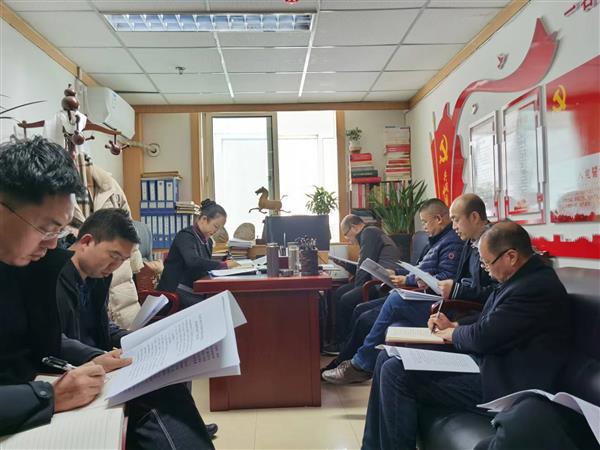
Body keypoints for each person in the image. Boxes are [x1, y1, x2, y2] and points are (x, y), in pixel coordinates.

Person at [362, 221, 572, 450]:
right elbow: (490, 318)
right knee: (386, 357)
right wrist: (455, 324)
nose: (485, 269)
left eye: (487, 262)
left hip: (505, 383)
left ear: (511, 256)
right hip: (487, 363)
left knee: (396, 373)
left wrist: (453, 333)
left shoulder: (536, 288)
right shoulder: (520, 278)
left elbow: (484, 336)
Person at [45, 208, 216, 447]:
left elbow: (103, 327)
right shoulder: (51, 276)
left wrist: (141, 338)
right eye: (113, 256)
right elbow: (52, 339)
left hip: (101, 362)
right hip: (76, 369)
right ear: (86, 242)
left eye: (122, 261)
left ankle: (191, 429)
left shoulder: (97, 278)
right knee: (156, 398)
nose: (115, 266)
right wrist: (97, 356)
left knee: (171, 378)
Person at [0, 137, 105, 435]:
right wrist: (49, 397)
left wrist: (90, 358)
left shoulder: (25, 266)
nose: (52, 244)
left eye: (60, 231)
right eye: (46, 229)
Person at [323, 197, 464, 383]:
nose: (424, 227)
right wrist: (397, 273)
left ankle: (359, 365)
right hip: (419, 294)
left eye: (425, 222)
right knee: (360, 310)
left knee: (374, 312)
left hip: (433, 302)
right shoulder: (436, 241)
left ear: (438, 219)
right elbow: (420, 270)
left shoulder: (451, 242)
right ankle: (346, 362)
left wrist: (408, 279)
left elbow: (445, 278)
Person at [328, 214, 399, 352]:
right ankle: (339, 340)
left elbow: (364, 266)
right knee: (338, 293)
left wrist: (356, 289)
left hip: (381, 284)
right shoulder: (369, 234)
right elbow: (366, 266)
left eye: (346, 234)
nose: (348, 239)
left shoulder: (369, 232)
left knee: (346, 299)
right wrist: (344, 265)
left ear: (355, 227)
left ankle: (345, 344)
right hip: (374, 280)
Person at [158, 198, 239, 308]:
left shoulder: (208, 242)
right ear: (204, 219)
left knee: (226, 300)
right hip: (175, 292)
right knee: (216, 307)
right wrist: (223, 265)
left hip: (193, 289)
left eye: (219, 228)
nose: (216, 231)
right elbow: (193, 261)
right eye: (216, 226)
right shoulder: (185, 236)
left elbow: (203, 268)